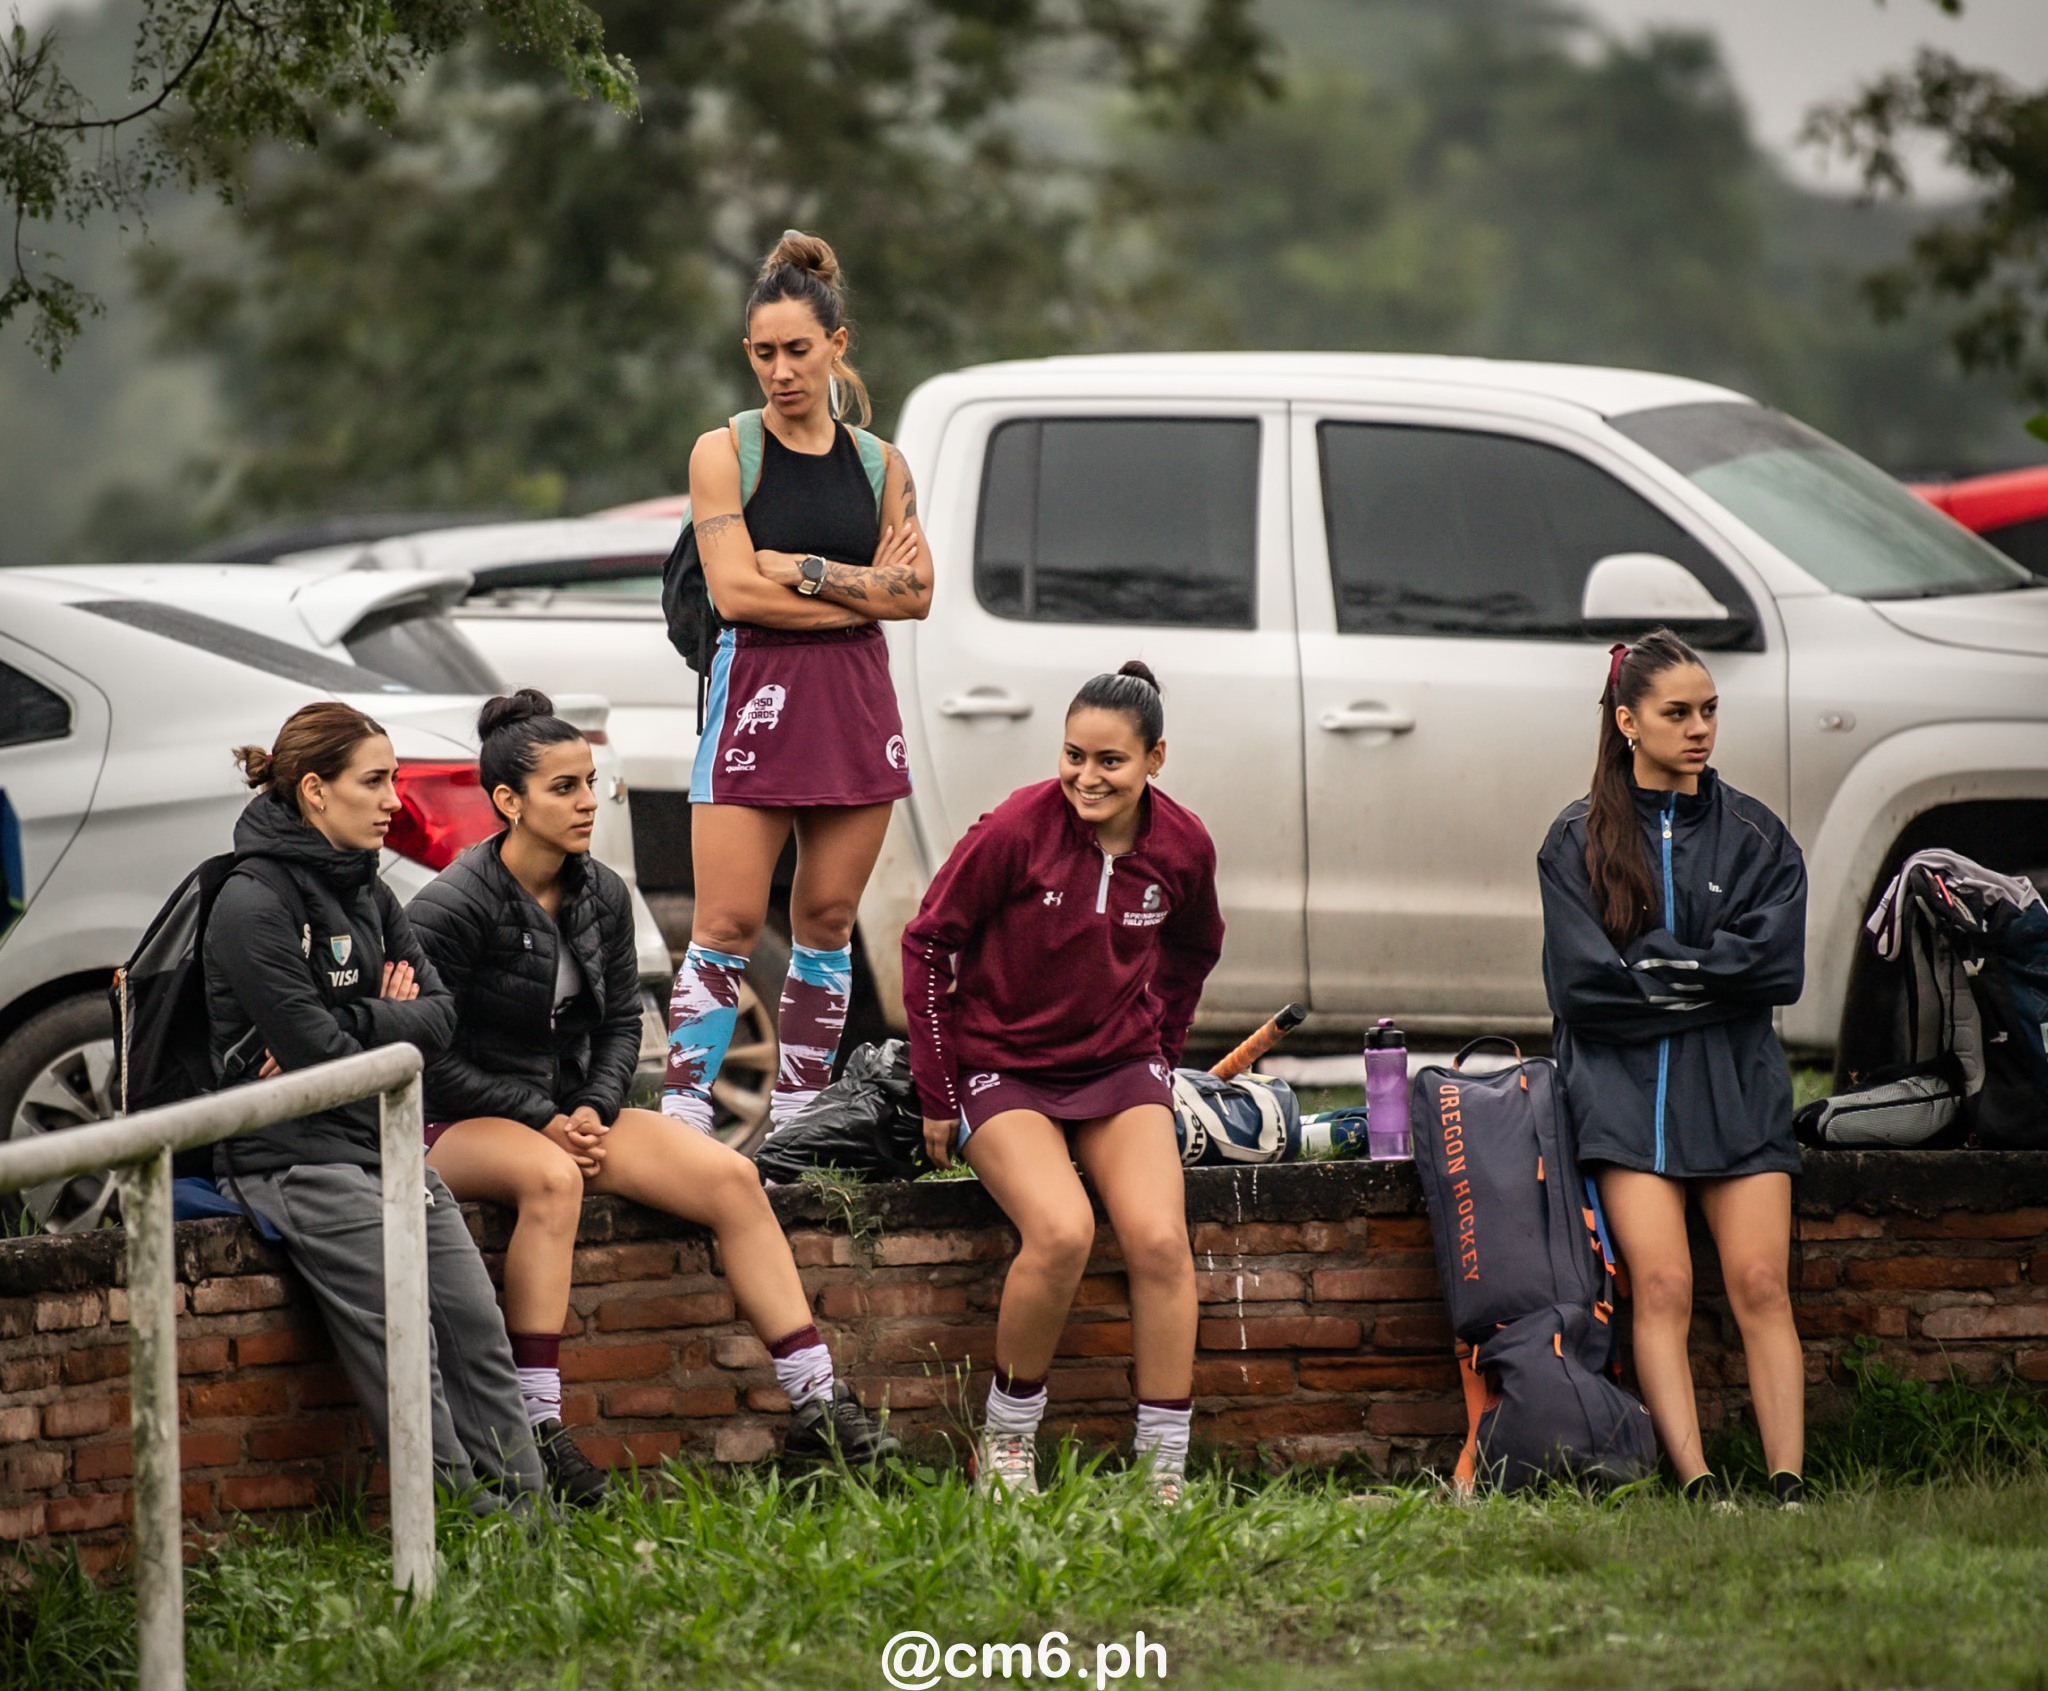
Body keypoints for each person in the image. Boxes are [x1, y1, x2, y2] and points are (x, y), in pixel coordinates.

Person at [408, 690, 898, 1495]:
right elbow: (431, 1056)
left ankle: (820, 1405)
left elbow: (620, 1025)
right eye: (564, 787)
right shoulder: (451, 907)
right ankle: (538, 1433)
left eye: (591, 782)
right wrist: (547, 1119)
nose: (587, 802)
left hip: (572, 1114)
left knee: (732, 1176)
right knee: (549, 1178)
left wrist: (597, 1109)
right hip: (457, 1121)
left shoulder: (599, 889)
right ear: (507, 801)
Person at [205, 703, 544, 1508]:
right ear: (316, 790)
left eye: (393, 777)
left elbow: (439, 1018)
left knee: (475, 1327)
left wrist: (364, 1021)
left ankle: (531, 1520)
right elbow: (320, 1057)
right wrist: (384, 1020)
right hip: (293, 1158)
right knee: (407, 1344)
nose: (396, 798)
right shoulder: (250, 900)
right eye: (377, 780)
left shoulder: (368, 886)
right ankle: (460, 1521)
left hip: (385, 1146)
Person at [903, 662, 1225, 1506]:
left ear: (1155, 759)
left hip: (1118, 1066)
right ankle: (1005, 1444)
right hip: (1001, 1065)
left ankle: (1163, 1464)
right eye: (1074, 755)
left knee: (1159, 1240)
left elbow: (1194, 950)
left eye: (1111, 761)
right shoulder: (1017, 826)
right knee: (1061, 1231)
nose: (1087, 776)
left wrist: (1163, 1047)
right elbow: (929, 942)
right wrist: (937, 1089)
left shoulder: (1183, 845)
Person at [665, 229, 930, 1141]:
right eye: (766, 353)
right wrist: (860, 599)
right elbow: (736, 593)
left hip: (854, 708)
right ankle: (684, 1116)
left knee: (824, 918)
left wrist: (806, 571)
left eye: (800, 351)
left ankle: (802, 1120)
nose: (782, 371)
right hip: (753, 703)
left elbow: (920, 591)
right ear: (749, 354)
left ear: (837, 346)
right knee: (728, 921)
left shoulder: (878, 464)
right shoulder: (722, 452)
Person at [1537, 630, 1808, 1510]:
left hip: (1738, 1090)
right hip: (1622, 1098)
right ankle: (1696, 1486)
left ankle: (1790, 1483)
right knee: (1661, 1285)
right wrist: (1712, 975)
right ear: (1628, 721)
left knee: (1762, 1283)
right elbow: (1584, 990)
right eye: (1678, 713)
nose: (1700, 730)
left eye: (1710, 711)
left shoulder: (1760, 836)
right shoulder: (1573, 841)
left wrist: (1654, 969)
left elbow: (1779, 971)